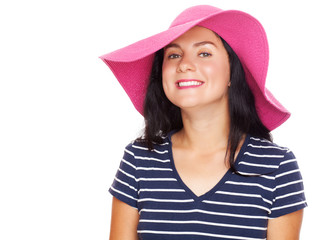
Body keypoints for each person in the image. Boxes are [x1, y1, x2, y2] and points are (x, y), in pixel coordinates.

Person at [100, 5, 307, 240]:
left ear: (232, 71)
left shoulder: (277, 166)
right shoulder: (139, 160)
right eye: (174, 55)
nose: (184, 64)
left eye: (204, 53)